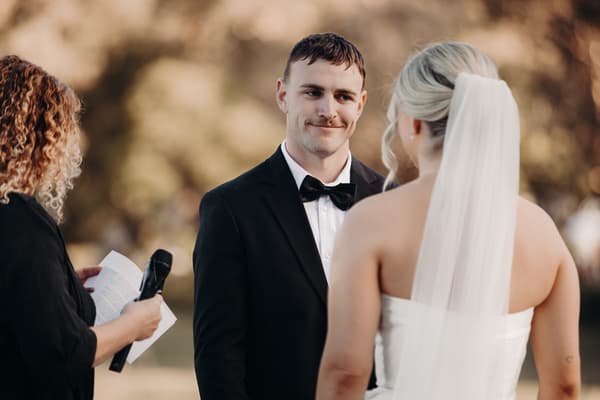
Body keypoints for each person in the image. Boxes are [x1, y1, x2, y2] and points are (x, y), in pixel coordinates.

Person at [316, 42, 581, 400]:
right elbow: (564, 386)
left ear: (414, 123)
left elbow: (345, 374)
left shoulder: (371, 222)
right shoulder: (544, 234)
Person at [193, 32, 386, 400]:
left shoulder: (390, 200)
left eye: (343, 96)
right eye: (312, 92)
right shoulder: (230, 208)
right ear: (283, 95)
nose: (328, 109)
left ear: (360, 104)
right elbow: (218, 357)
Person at [0, 55, 163, 400]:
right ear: (40, 137)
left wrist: (61, 286)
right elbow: (64, 353)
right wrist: (134, 324)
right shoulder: (22, 222)